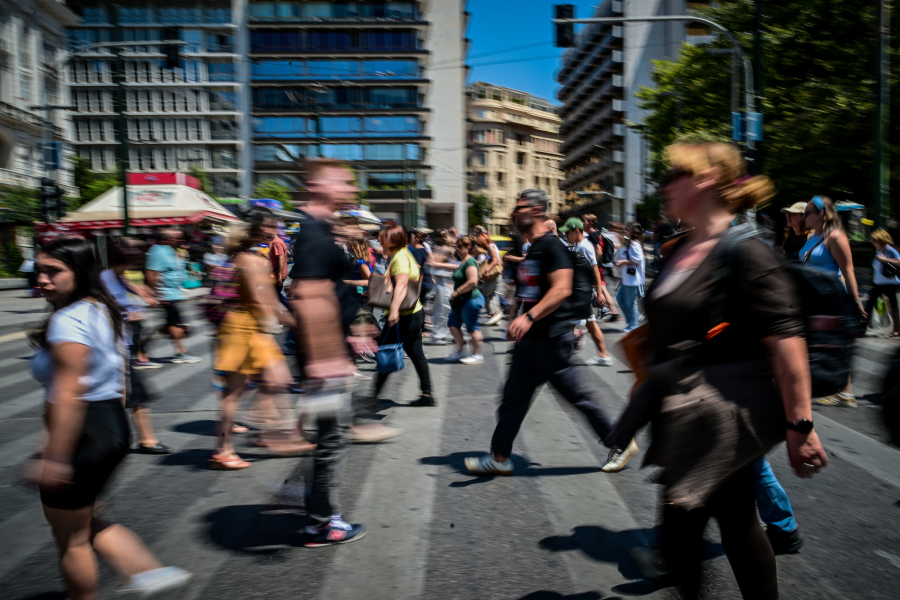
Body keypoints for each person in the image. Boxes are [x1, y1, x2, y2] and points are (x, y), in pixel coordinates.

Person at [615, 142, 828, 600]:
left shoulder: (745, 252)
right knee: (733, 520)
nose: (665, 184)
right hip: (682, 408)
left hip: (722, 413)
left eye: (676, 174)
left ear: (707, 179)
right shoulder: (679, 248)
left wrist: (801, 425)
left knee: (686, 527)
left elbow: (788, 343)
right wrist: (645, 380)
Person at [28, 237, 192, 599]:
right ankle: (143, 569)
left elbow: (67, 394)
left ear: (80, 272)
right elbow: (119, 378)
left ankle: (127, 576)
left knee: (70, 538)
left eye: (53, 271)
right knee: (81, 523)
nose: (42, 278)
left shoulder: (69, 321)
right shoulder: (101, 309)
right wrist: (115, 436)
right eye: (39, 270)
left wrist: (53, 456)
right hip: (107, 427)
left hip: (80, 432)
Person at [465, 189, 617, 476]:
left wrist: (529, 317)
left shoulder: (552, 247)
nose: (513, 213)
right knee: (512, 398)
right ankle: (500, 458)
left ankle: (619, 441)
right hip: (530, 340)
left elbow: (562, 289)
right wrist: (516, 315)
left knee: (577, 397)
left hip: (551, 339)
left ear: (535, 211)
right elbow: (530, 291)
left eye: (518, 207)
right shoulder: (533, 247)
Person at [290, 158, 369, 545]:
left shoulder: (319, 231)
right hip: (326, 359)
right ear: (318, 185)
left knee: (329, 438)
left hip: (329, 354)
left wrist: (353, 328)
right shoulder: (312, 233)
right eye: (344, 181)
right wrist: (326, 358)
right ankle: (322, 523)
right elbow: (308, 296)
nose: (351, 189)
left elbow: (327, 290)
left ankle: (319, 516)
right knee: (331, 440)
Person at [213, 209, 309, 468]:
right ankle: (230, 448)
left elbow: (266, 301)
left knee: (264, 385)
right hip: (246, 330)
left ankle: (260, 437)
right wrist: (298, 324)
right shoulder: (253, 261)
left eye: (275, 226)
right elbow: (263, 302)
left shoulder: (241, 257)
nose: (274, 231)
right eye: (269, 226)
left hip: (240, 328)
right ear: (255, 229)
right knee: (254, 387)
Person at [101, 242, 171, 454]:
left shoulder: (117, 276)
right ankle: (140, 440)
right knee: (132, 393)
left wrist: (145, 297)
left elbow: (132, 290)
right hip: (110, 345)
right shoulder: (103, 278)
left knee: (132, 393)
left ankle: (140, 439)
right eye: (128, 263)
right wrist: (126, 312)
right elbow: (100, 306)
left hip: (122, 343)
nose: (130, 267)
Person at [801, 195, 865, 407]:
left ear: (820, 214)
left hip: (832, 298)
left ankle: (843, 391)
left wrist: (856, 303)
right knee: (820, 342)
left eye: (807, 212)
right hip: (812, 297)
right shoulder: (811, 236)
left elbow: (848, 270)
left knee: (834, 343)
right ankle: (844, 391)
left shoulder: (835, 236)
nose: (804, 216)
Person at [372, 224, 435, 406]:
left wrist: (393, 311)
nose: (379, 240)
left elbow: (401, 285)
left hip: (404, 315)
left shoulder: (399, 257)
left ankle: (372, 398)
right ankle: (426, 395)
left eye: (382, 238)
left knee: (385, 354)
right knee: (416, 353)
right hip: (414, 311)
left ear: (391, 241)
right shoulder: (405, 254)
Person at [560, 218, 613, 366]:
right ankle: (603, 355)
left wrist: (599, 292)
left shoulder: (585, 246)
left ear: (576, 230)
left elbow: (595, 269)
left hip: (581, 293)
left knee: (570, 323)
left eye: (567, 232)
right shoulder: (576, 245)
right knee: (588, 323)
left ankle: (562, 355)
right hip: (580, 292)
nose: (565, 236)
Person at [145, 230, 201, 364]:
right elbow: (151, 274)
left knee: (174, 325)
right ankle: (180, 352)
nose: (181, 241)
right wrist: (158, 294)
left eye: (182, 239)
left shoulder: (173, 251)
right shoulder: (158, 251)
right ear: (166, 239)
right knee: (177, 324)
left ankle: (142, 344)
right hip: (165, 294)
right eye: (178, 239)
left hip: (174, 293)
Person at [432, 235, 485, 364]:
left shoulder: (470, 261)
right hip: (460, 300)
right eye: (456, 245)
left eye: (459, 246)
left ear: (468, 248)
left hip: (470, 299)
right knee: (453, 324)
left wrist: (456, 292)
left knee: (472, 328)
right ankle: (461, 350)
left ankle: (477, 354)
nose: (456, 248)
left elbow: (473, 282)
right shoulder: (463, 261)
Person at [582, 214, 619, 322]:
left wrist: (594, 265)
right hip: (598, 266)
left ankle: (605, 308)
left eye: (585, 220)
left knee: (598, 288)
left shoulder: (593, 234)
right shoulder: (594, 233)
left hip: (596, 267)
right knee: (602, 288)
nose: (583, 222)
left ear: (591, 222)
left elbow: (599, 251)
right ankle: (612, 311)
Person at [865, 229, 900, 337]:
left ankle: (897, 330)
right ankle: (861, 327)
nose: (873, 242)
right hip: (877, 284)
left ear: (881, 240)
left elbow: (899, 262)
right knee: (869, 304)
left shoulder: (890, 250)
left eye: (874, 240)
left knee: (893, 306)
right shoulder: (878, 250)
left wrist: (886, 260)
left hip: (890, 283)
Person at [615, 222, 646, 333]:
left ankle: (633, 325)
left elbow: (638, 260)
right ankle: (634, 319)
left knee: (630, 302)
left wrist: (623, 261)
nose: (625, 231)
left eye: (627, 229)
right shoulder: (631, 243)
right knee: (620, 298)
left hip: (631, 280)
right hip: (627, 279)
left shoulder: (634, 244)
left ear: (633, 231)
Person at [474, 226, 504, 326]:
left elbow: (495, 260)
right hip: (494, 275)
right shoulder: (491, 246)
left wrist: (487, 270)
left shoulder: (490, 247)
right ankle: (495, 317)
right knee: (492, 295)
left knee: (484, 294)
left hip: (492, 275)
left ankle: (496, 313)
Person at [428, 230, 454, 345]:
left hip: (447, 281)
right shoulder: (437, 249)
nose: (446, 238)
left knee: (446, 309)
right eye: (444, 236)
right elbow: (432, 263)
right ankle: (438, 336)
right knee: (441, 309)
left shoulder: (447, 249)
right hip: (441, 281)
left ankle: (445, 333)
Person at [267, 225, 289, 294]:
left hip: (276, 274)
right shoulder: (280, 241)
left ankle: (289, 304)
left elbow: (281, 258)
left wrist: (279, 276)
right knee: (276, 295)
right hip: (277, 274)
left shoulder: (276, 242)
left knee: (274, 296)